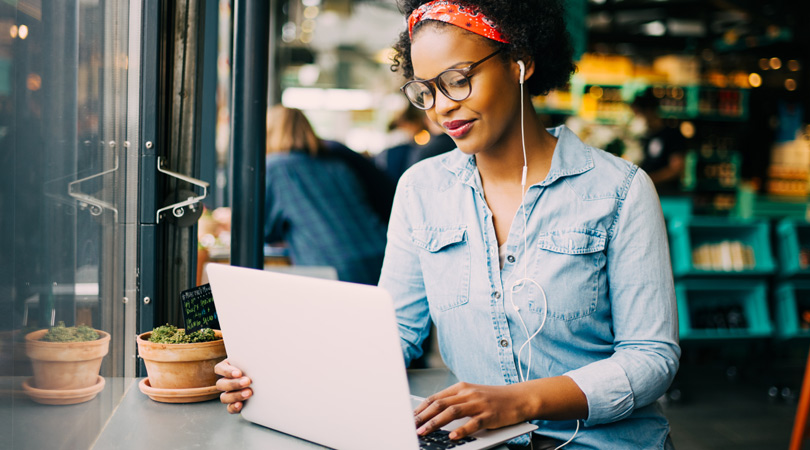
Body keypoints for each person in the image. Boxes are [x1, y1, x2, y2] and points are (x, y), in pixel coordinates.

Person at [217, 2, 680, 449]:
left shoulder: (619, 190)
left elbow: (652, 358)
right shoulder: (422, 189)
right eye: (426, 91)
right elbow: (394, 331)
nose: (441, 107)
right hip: (478, 442)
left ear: (520, 61)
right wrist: (280, 380)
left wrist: (520, 402)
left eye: (458, 80)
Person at [262, 105, 388, 285]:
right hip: (380, 258)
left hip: (334, 270)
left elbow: (265, 232)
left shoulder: (276, 167)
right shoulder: (337, 166)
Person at [630, 89, 687, 195]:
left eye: (638, 114)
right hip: (645, 192)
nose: (636, 119)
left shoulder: (672, 134)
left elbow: (676, 168)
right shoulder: (643, 136)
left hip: (666, 195)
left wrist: (648, 179)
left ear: (649, 111)